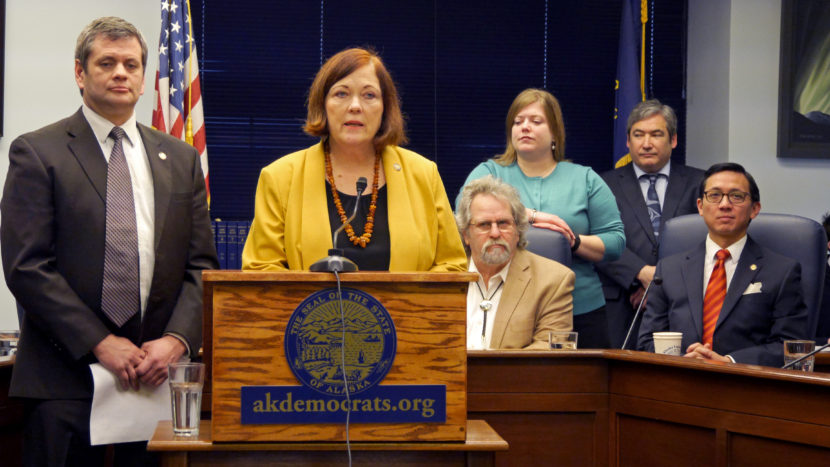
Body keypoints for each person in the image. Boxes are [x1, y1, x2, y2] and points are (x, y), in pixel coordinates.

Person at [0, 17, 218, 466]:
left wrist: (176, 340)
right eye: (107, 63)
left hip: (156, 376)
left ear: (143, 79)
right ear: (80, 74)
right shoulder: (38, 152)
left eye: (131, 64)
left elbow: (201, 266)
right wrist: (100, 341)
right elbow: (27, 266)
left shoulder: (179, 158)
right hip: (65, 376)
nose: (121, 72)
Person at [242, 47, 466, 272]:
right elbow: (261, 270)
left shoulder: (423, 174)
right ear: (323, 105)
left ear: (385, 108)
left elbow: (452, 267)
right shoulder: (280, 178)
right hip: (310, 308)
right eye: (341, 94)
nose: (355, 106)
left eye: (369, 95)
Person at [456, 88, 625, 348]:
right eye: (518, 121)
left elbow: (615, 243)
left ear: (555, 132)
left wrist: (573, 241)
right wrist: (531, 216)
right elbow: (463, 216)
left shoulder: (585, 178)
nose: (525, 127)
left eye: (536, 121)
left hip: (581, 306)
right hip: (507, 308)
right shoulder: (489, 171)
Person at [637, 163, 808, 366]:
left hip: (746, 386)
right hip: (680, 382)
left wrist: (729, 361)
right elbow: (647, 341)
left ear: (755, 209)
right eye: (715, 195)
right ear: (700, 206)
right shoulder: (669, 269)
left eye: (736, 196)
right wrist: (685, 361)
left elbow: (791, 346)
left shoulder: (782, 271)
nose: (725, 204)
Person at [597, 99, 704, 348]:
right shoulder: (602, 184)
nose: (646, 143)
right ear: (627, 141)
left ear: (673, 140)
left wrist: (659, 284)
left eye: (656, 134)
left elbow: (709, 239)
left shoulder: (701, 182)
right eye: (638, 135)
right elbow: (597, 237)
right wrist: (638, 274)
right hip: (621, 300)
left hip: (683, 301)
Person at [456, 176, 574, 350]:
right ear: (466, 234)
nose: (495, 233)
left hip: (516, 377)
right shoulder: (445, 276)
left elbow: (552, 351)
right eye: (484, 224)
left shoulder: (554, 280)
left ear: (518, 230)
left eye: (503, 223)